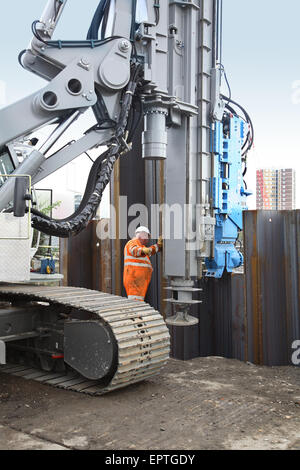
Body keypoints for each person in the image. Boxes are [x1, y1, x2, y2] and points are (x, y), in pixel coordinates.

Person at [123, 226, 163, 302]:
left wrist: (158, 246)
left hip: (138, 280)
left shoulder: (141, 247)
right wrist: (143, 250)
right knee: (135, 302)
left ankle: (136, 313)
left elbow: (150, 250)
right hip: (134, 279)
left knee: (138, 301)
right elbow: (134, 250)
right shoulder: (132, 243)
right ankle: (135, 314)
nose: (147, 239)